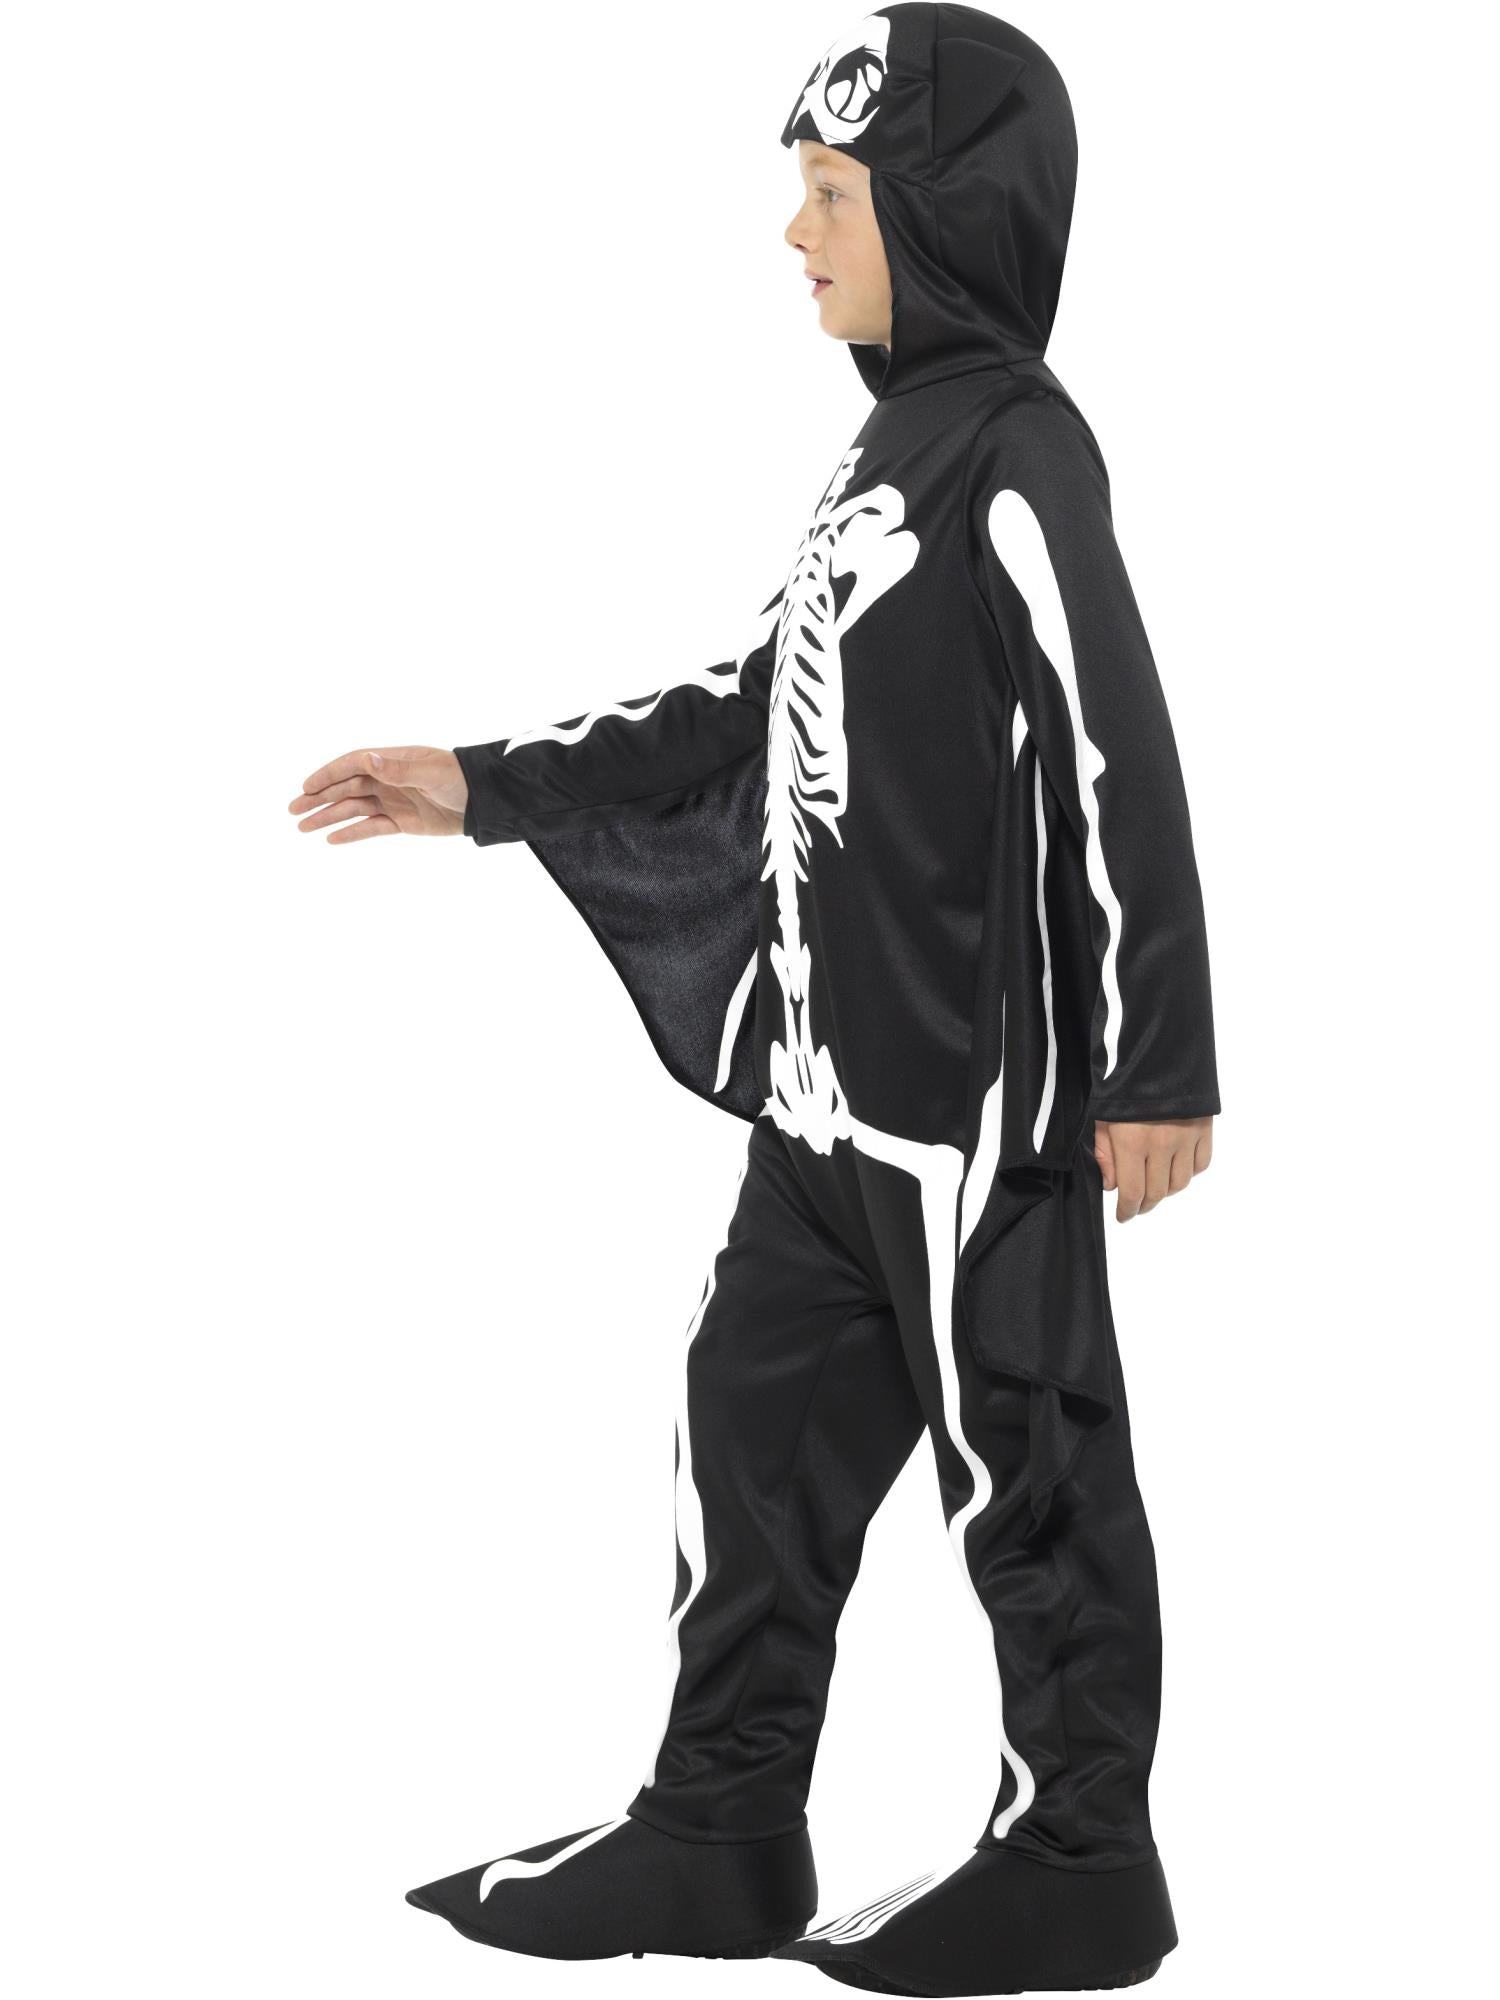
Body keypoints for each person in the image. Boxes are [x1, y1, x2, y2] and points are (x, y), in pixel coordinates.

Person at [289, 7, 1220, 1993]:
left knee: (1027, 1462)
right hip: (823, 1096)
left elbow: (1114, 742)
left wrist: (1159, 1057)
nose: (796, 234)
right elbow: (753, 699)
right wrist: (483, 784)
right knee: (752, 1438)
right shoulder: (885, 452)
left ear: (943, 213)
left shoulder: (1020, 450)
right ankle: (720, 1825)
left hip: (969, 1107)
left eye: (830, 195)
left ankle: (1082, 1852)